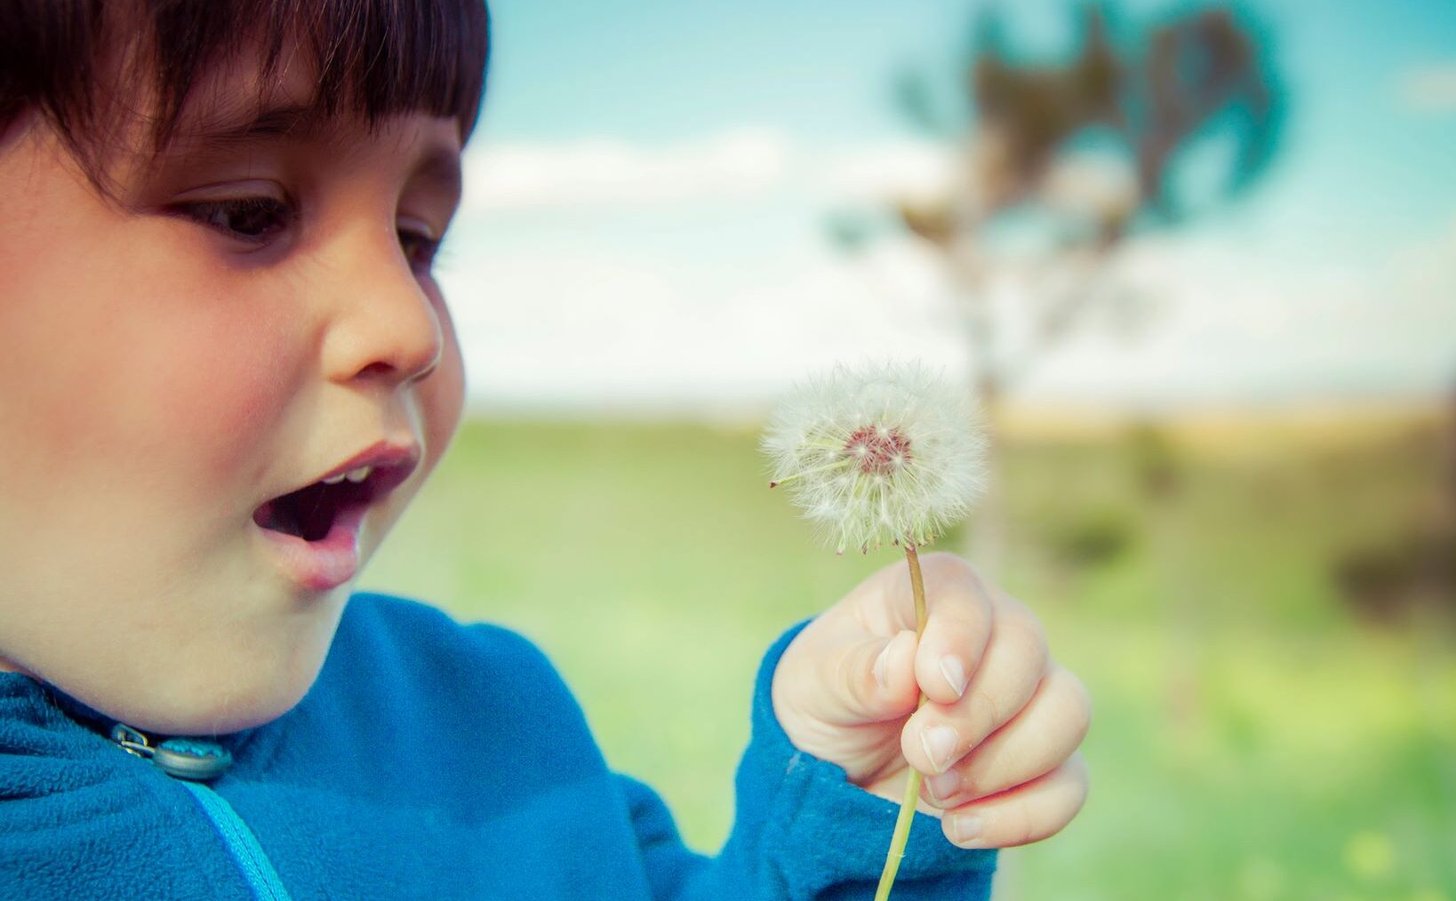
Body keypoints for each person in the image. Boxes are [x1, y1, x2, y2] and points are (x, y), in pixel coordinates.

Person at [0, 1, 1090, 897]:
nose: (408, 324)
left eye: (418, 240)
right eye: (248, 213)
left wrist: (847, 828)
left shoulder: (498, 730)